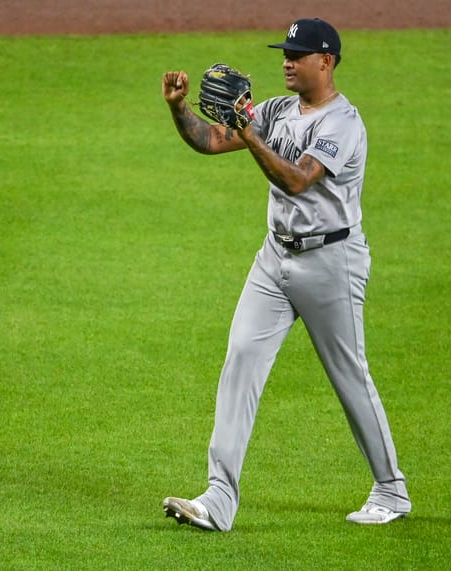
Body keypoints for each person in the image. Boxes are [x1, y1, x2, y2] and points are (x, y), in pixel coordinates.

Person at [159, 17, 412, 531]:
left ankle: (391, 489)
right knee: (241, 359)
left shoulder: (342, 123)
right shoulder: (276, 110)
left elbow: (297, 180)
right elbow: (210, 140)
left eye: (298, 55)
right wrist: (179, 108)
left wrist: (248, 132)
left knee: (348, 375)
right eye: (285, 53)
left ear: (327, 61)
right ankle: (218, 499)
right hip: (274, 258)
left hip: (331, 261)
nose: (287, 62)